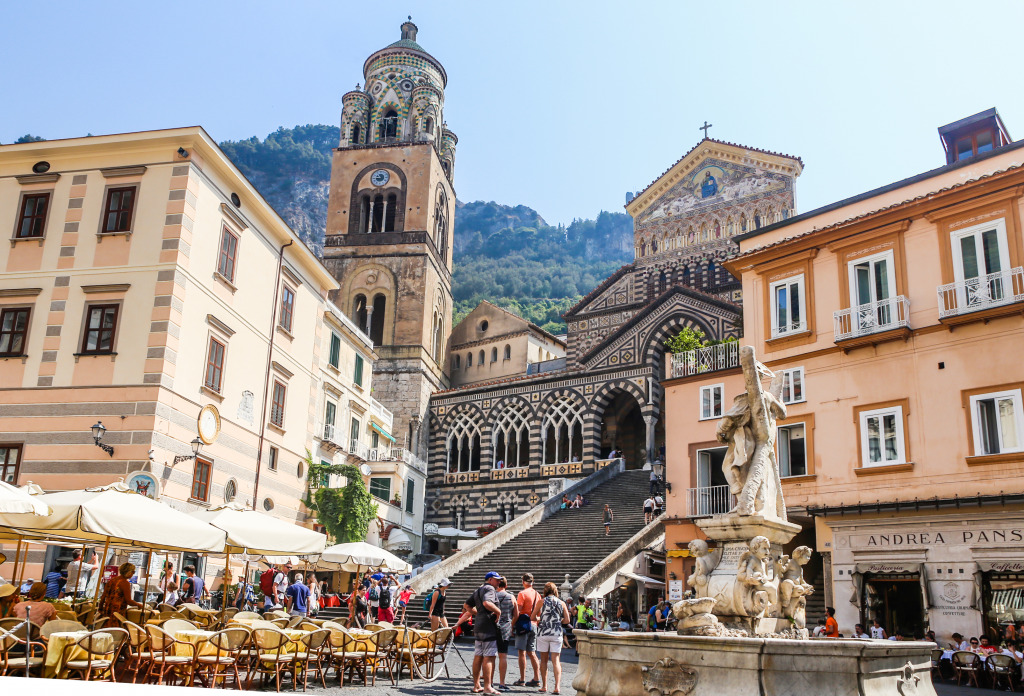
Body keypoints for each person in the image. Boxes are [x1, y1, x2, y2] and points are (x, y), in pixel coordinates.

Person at [531, 581, 570, 695]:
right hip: (556, 633)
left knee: (543, 660)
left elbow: (532, 617)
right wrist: (557, 621)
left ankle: (544, 686)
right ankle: (557, 687)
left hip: (543, 632)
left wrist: (541, 619)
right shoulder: (561, 603)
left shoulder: (541, 602)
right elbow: (567, 620)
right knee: (556, 660)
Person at [469, 571, 502, 695]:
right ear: (489, 580)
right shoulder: (489, 588)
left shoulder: (478, 590)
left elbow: (466, 605)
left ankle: (476, 685)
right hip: (488, 627)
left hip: (478, 626)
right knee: (489, 656)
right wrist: (498, 612)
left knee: (478, 655)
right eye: (496, 579)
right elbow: (487, 603)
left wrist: (478, 614)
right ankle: (488, 687)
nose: (499, 582)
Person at [514, 573, 541, 688]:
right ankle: (537, 678)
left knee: (522, 652)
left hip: (524, 625)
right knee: (532, 652)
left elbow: (518, 611)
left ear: (523, 582)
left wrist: (512, 624)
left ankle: (522, 679)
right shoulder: (537, 594)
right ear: (532, 582)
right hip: (534, 624)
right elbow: (539, 613)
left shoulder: (522, 594)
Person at [495, 576, 518, 691]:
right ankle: (502, 683)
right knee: (503, 655)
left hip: (492, 627)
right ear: (506, 585)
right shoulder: (511, 597)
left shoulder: (492, 595)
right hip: (505, 628)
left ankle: (486, 680)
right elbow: (516, 614)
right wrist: (511, 625)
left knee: (488, 655)